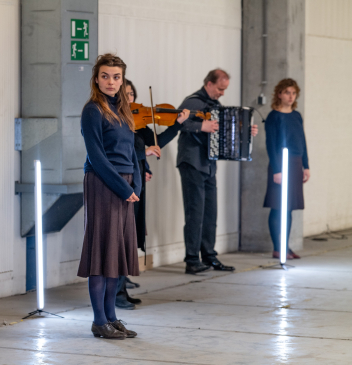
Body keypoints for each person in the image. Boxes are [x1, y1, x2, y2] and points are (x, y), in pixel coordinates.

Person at [77, 53, 140, 340]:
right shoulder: (93, 110)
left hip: (124, 186)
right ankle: (98, 320)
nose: (111, 82)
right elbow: (97, 157)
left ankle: (112, 317)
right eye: (105, 76)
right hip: (103, 183)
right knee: (102, 252)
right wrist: (123, 188)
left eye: (116, 77)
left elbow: (132, 153)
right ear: (97, 79)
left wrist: (135, 184)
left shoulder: (125, 112)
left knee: (117, 253)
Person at [115, 80, 189, 309]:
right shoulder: (114, 122)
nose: (130, 99)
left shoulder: (137, 124)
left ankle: (121, 289)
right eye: (125, 94)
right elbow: (119, 150)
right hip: (121, 185)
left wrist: (177, 125)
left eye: (132, 94)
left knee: (130, 236)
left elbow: (157, 144)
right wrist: (142, 155)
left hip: (135, 184)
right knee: (120, 238)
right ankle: (116, 293)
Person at [177, 69, 258, 274]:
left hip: (209, 165)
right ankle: (192, 259)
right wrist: (200, 126)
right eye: (220, 89)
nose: (222, 93)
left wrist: (247, 131)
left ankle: (209, 256)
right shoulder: (193, 101)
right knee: (195, 213)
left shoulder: (216, 106)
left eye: (225, 89)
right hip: (192, 163)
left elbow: (225, 131)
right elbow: (177, 122)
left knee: (210, 214)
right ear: (209, 84)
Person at [264, 78, 309, 259]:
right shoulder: (273, 116)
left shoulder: (297, 116)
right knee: (278, 206)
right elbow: (270, 144)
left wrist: (306, 165)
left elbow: (303, 142)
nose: (291, 96)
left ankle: (286, 246)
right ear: (279, 94)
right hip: (280, 163)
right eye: (287, 92)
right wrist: (277, 170)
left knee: (288, 207)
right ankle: (277, 248)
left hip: (296, 163)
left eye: (293, 93)